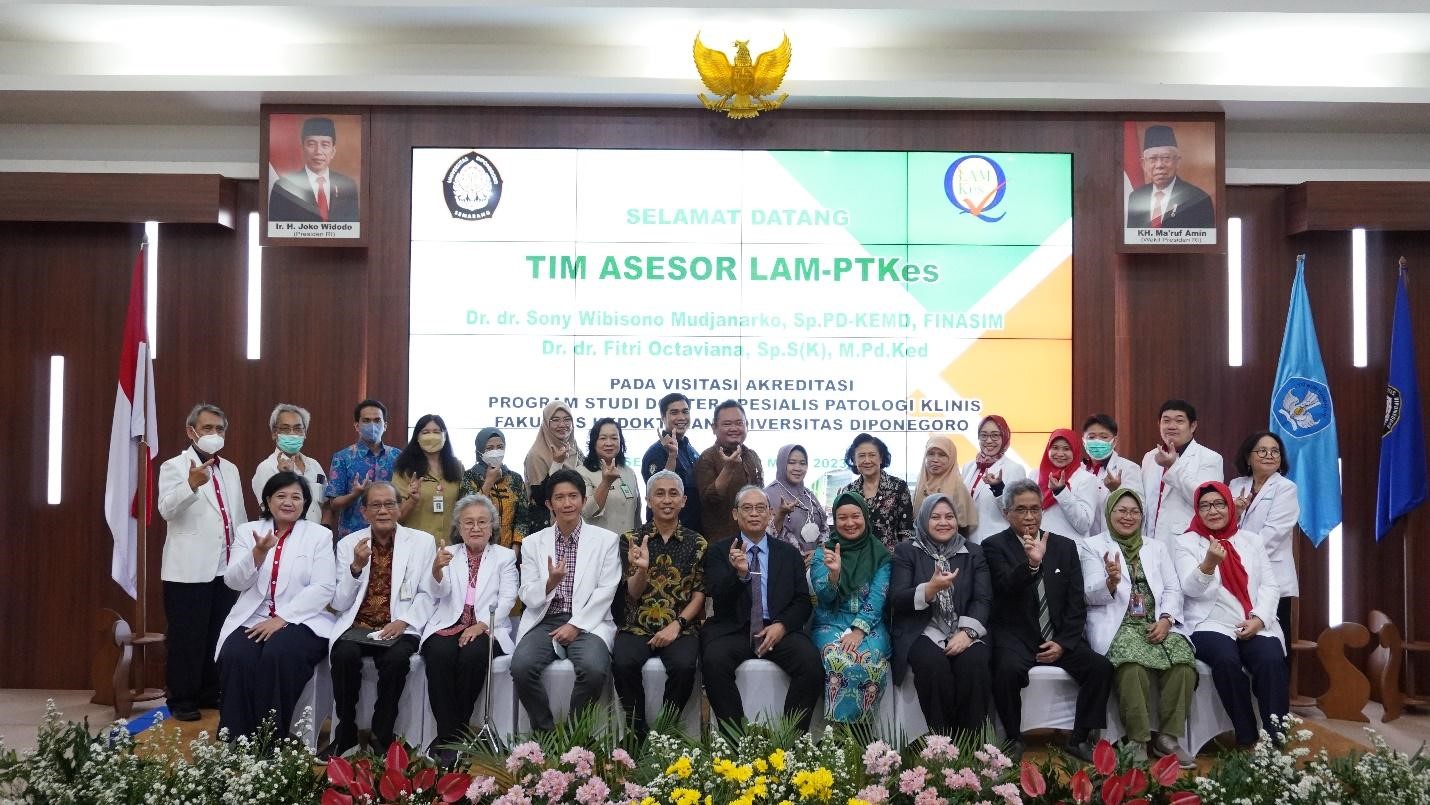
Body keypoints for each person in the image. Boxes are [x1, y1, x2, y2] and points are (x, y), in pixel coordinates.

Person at [984, 479, 1112, 762]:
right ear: (1006, 513)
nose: (1029, 516)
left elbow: (1076, 602)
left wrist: (1063, 643)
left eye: (1035, 509)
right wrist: (1031, 564)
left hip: (1057, 636)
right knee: (1005, 670)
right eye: (1021, 510)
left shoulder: (1064, 546)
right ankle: (1014, 738)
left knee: (1100, 668)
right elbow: (1003, 588)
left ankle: (1079, 739)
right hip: (1016, 636)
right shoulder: (993, 546)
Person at [1079, 489, 1197, 767]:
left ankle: (1168, 739)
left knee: (1183, 663)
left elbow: (1172, 588)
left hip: (1156, 621)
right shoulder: (1091, 546)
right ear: (1109, 513)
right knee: (1132, 666)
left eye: (1134, 512)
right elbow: (1088, 594)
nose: (1128, 517)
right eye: (1121, 510)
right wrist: (1110, 581)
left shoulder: (1156, 547)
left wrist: (1166, 619)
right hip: (1117, 623)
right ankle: (1137, 740)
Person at [215, 472, 336, 740]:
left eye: (296, 497)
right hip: (254, 616)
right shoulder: (248, 531)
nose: (288, 502)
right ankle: (237, 741)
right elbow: (233, 581)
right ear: (268, 501)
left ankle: (272, 740)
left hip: (303, 619)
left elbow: (324, 587)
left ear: (305, 503)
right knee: (236, 656)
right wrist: (258, 553)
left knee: (278, 655)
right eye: (281, 496)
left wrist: (283, 618)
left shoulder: (318, 535)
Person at [325, 482, 438, 758]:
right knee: (343, 656)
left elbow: (428, 593)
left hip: (399, 626)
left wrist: (404, 621)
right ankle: (346, 733)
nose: (383, 511)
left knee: (396, 661)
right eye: (375, 505)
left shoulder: (422, 542)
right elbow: (339, 603)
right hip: (358, 625)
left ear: (400, 508)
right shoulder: (349, 544)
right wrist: (355, 568)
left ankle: (381, 734)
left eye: (389, 504)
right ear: (364, 512)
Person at [1174, 482, 1288, 747]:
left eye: (1219, 504)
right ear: (1197, 511)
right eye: (1205, 506)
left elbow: (1270, 585)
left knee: (1271, 660)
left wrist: (1259, 619)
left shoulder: (1252, 540)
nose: (1212, 511)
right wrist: (1208, 564)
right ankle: (1246, 734)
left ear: (1230, 506)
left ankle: (1276, 738)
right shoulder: (1186, 542)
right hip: (1209, 622)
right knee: (1226, 660)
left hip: (1252, 619)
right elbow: (1190, 590)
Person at [701, 485, 822, 732]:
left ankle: (790, 740)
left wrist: (782, 626)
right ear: (735, 514)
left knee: (811, 666)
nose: (754, 513)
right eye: (747, 508)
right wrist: (739, 575)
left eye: (760, 508)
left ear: (770, 513)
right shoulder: (718, 551)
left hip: (777, 629)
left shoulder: (789, 553)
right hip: (734, 629)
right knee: (713, 662)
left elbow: (802, 601)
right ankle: (736, 740)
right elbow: (718, 597)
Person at [510, 468, 622, 732]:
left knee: (593, 670)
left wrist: (576, 625)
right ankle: (547, 735)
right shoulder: (532, 543)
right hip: (545, 620)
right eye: (559, 498)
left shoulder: (606, 540)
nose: (567, 503)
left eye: (573, 496)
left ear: (584, 500)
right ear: (549, 504)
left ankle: (574, 736)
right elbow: (527, 594)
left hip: (589, 622)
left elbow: (606, 590)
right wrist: (550, 583)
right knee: (521, 667)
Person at [158, 403, 250, 722]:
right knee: (187, 637)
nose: (214, 434)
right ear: (191, 431)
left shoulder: (231, 469)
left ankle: (210, 691)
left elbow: (237, 515)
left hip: (225, 568)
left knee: (217, 634)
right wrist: (190, 484)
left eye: (219, 429)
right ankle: (181, 698)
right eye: (207, 428)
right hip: (187, 569)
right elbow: (166, 509)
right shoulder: (174, 466)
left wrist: (244, 556)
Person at [419, 494, 518, 765]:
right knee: (439, 655)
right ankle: (452, 736)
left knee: (473, 656)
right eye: (469, 522)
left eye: (482, 522)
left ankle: (449, 737)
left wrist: (482, 624)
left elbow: (508, 598)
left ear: (492, 526)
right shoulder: (448, 553)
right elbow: (439, 592)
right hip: (448, 623)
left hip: (488, 626)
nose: (475, 528)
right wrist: (436, 571)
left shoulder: (505, 557)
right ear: (459, 527)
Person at [611, 471, 707, 739]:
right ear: (648, 500)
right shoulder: (630, 539)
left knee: (685, 667)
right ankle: (637, 733)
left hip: (680, 626)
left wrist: (677, 625)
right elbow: (632, 594)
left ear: (684, 501)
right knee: (623, 663)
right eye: (660, 494)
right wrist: (641, 569)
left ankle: (664, 734)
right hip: (637, 625)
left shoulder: (697, 542)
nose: (667, 500)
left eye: (673, 494)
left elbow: (699, 594)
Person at [889, 493, 994, 734]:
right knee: (932, 665)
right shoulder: (907, 551)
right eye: (935, 517)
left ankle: (971, 741)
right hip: (921, 629)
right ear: (924, 520)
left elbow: (983, 598)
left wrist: (967, 633)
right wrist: (930, 589)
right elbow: (897, 599)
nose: (943, 522)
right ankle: (942, 741)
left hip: (964, 627)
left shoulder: (973, 552)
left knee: (975, 663)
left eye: (949, 516)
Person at [810, 491, 893, 724]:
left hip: (870, 625)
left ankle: (862, 733)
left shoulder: (880, 554)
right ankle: (836, 732)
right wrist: (834, 575)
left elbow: (878, 597)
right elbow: (825, 597)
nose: (849, 523)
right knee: (837, 658)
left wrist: (859, 630)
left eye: (855, 516)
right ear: (834, 521)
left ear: (865, 517)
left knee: (871, 658)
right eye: (842, 518)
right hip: (831, 621)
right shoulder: (824, 553)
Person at [1229, 431, 1300, 653]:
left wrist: (1235, 558)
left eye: (1275, 451)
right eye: (1262, 451)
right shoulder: (1235, 485)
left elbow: (1273, 535)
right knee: (1241, 640)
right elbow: (1223, 526)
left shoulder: (1286, 488)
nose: (1269, 455)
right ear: (1248, 458)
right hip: (1237, 576)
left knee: (1275, 641)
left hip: (1272, 576)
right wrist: (1236, 512)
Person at [1141, 400, 1224, 542]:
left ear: (1193, 426)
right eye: (1166, 421)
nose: (1171, 426)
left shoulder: (1210, 458)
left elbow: (1206, 500)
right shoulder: (1150, 457)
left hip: (1187, 541)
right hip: (1149, 541)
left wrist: (1172, 466)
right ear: (1159, 424)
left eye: (1179, 421)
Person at [327, 399, 402, 539]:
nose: (372, 425)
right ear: (357, 426)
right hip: (353, 536)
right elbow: (334, 504)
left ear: (385, 425)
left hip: (391, 535)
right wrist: (354, 494)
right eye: (366, 421)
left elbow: (402, 498)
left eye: (377, 420)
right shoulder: (342, 457)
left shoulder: (398, 457)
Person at [267, 116, 360, 223]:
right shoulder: (284, 186)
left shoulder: (348, 186)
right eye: (311, 144)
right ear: (302, 149)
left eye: (325, 145)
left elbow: (352, 226)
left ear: (333, 151)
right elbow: (277, 228)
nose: (318, 151)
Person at [695, 400, 763, 542]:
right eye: (727, 424)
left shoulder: (752, 456)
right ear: (714, 428)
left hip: (754, 541)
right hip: (721, 543)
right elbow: (709, 500)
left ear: (747, 425)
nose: (734, 428)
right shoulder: (707, 457)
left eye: (739, 423)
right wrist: (729, 468)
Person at [393, 414, 466, 545]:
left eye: (436, 432)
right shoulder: (405, 470)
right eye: (425, 432)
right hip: (416, 546)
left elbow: (465, 506)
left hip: (450, 546)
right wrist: (412, 500)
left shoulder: (457, 467)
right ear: (417, 437)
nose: (431, 436)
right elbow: (395, 517)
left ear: (445, 436)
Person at [1125, 124, 1214, 230]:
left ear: (1177, 162)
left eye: (1166, 158)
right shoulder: (1136, 197)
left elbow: (1205, 239)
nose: (1159, 165)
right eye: (1153, 159)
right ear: (1143, 164)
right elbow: (1132, 237)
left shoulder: (1198, 199)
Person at [251, 403, 328, 525]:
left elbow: (327, 503)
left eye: (298, 429)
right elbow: (271, 510)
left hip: (316, 534)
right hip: (283, 534)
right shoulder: (266, 467)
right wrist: (287, 476)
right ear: (274, 433)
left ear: (305, 433)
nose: (292, 434)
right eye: (285, 429)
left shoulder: (314, 465)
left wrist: (325, 528)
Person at [458, 427, 531, 551]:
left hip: (509, 551)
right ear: (480, 450)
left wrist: (514, 551)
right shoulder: (469, 477)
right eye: (490, 448)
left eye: (500, 447)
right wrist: (489, 481)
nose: (496, 451)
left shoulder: (515, 479)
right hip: (477, 549)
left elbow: (522, 519)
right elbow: (469, 511)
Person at [837, 433, 914, 550]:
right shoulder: (848, 491)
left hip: (890, 557)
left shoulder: (898, 486)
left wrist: (904, 557)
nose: (867, 460)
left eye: (872, 455)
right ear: (854, 460)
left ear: (881, 458)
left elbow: (906, 530)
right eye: (861, 456)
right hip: (856, 556)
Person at [640, 393, 704, 533]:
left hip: (693, 534)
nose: (681, 417)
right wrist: (672, 457)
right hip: (666, 535)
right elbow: (660, 489)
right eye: (674, 413)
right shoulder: (656, 452)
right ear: (663, 418)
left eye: (685, 411)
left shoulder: (690, 450)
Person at [962, 414, 1028, 544]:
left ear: (1004, 437)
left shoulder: (1015, 469)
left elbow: (1017, 513)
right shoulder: (968, 467)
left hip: (998, 543)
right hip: (968, 542)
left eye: (995, 435)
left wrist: (998, 489)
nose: (988, 440)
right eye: (983, 435)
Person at [522, 401, 583, 533]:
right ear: (546, 423)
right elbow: (540, 497)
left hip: (576, 525)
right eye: (555, 420)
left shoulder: (575, 449)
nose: (562, 424)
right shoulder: (536, 454)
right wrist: (557, 463)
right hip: (548, 528)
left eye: (567, 419)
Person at [576, 418, 643, 535]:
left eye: (614, 438)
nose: (609, 443)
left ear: (621, 442)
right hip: (598, 543)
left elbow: (636, 515)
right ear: (594, 442)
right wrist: (606, 483)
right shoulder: (582, 472)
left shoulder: (629, 472)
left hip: (628, 543)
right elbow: (586, 511)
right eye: (603, 438)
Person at [1081, 414, 1144, 535]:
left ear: (1114, 441)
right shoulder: (1078, 470)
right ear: (1083, 441)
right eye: (1091, 437)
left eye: (1103, 437)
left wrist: (1117, 490)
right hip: (1083, 540)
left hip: (1115, 538)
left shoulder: (1129, 468)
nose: (1097, 441)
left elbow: (1139, 509)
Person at [765, 443, 828, 557]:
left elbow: (824, 528)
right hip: (783, 562)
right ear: (782, 464)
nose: (798, 468)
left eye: (802, 463)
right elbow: (763, 536)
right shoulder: (767, 495)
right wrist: (781, 515)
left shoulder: (809, 495)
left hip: (814, 563)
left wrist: (817, 554)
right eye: (792, 462)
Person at [1035, 429, 1098, 540]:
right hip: (1037, 544)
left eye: (1066, 449)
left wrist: (1061, 492)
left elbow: (1084, 524)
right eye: (1055, 448)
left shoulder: (1086, 479)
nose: (1060, 454)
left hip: (1069, 547)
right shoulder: (1035, 474)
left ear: (1075, 450)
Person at [912, 435, 977, 536]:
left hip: (950, 542)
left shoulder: (957, 486)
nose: (935, 459)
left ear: (951, 458)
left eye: (942, 455)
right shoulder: (921, 483)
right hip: (920, 542)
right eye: (930, 454)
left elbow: (964, 526)